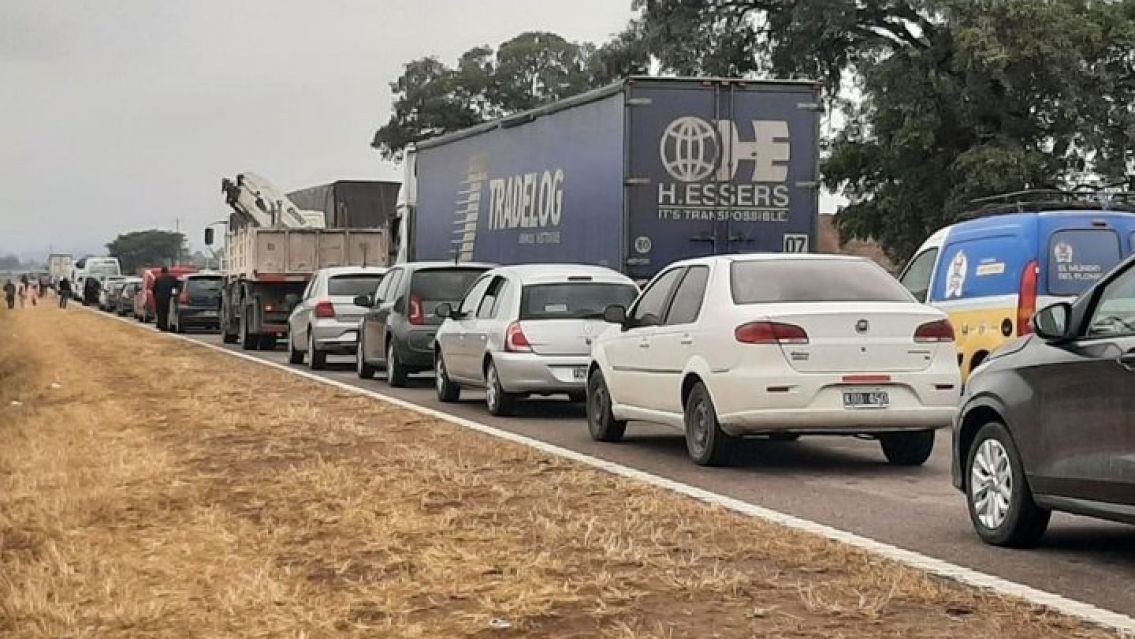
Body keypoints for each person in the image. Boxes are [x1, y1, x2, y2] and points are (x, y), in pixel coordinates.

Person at [153, 266, 179, 331]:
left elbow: (154, 289)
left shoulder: (158, 278)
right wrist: (174, 294)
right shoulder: (173, 278)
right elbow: (177, 287)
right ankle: (169, 325)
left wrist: (156, 295)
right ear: (167, 271)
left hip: (160, 298)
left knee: (161, 312)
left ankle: (162, 326)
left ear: (161, 271)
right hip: (170, 297)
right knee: (169, 311)